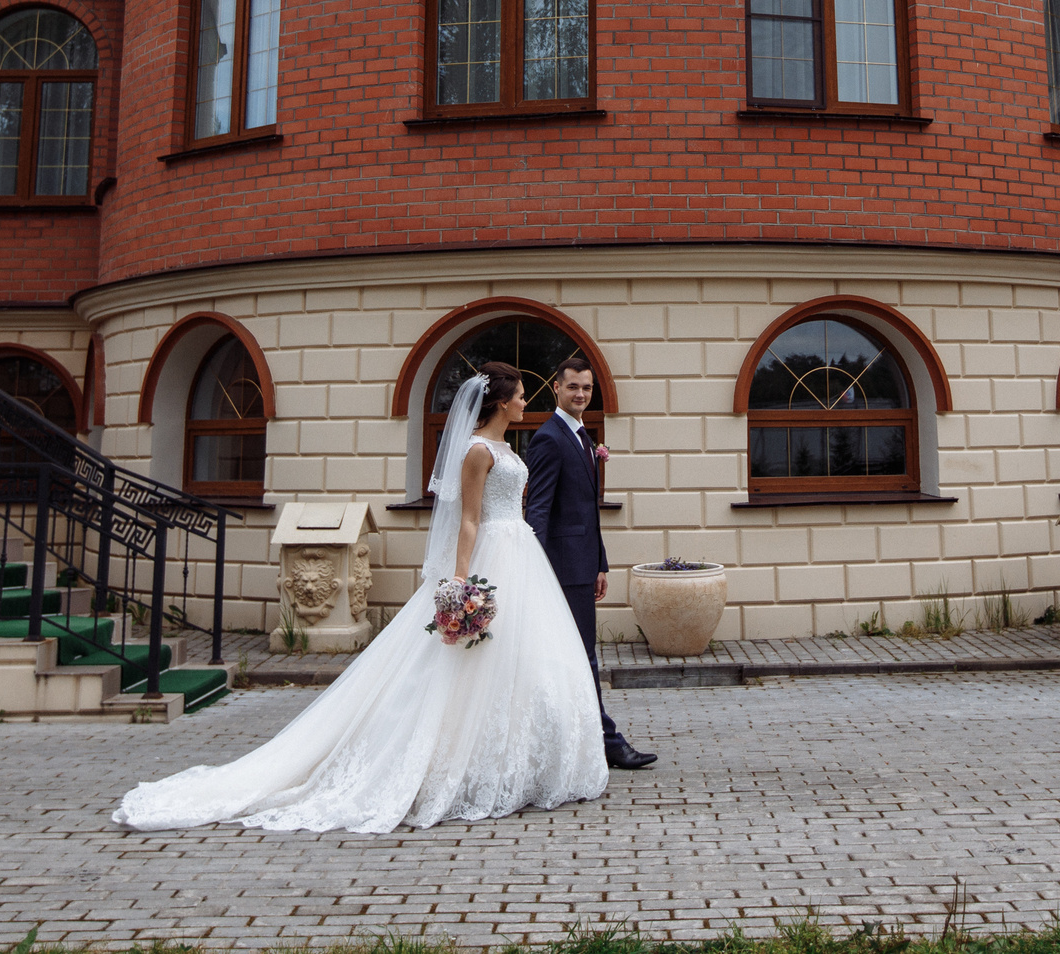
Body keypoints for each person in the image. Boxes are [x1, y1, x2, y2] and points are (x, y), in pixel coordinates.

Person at [110, 364, 606, 834]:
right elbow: (469, 519)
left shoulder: (507, 446)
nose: (525, 401)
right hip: (493, 554)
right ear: (500, 402)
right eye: (520, 395)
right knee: (469, 665)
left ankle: (518, 763)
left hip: (520, 554)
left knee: (523, 660)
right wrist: (460, 582)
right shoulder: (478, 451)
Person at [524, 353, 656, 770]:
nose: (580, 394)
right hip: (560, 568)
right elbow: (538, 510)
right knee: (582, 656)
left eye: (587, 387)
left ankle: (585, 739)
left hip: (583, 564)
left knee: (580, 655)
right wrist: (536, 569)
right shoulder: (549, 438)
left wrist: (600, 562)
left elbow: (586, 510)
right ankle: (607, 742)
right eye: (573, 386)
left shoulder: (583, 436)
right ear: (556, 388)